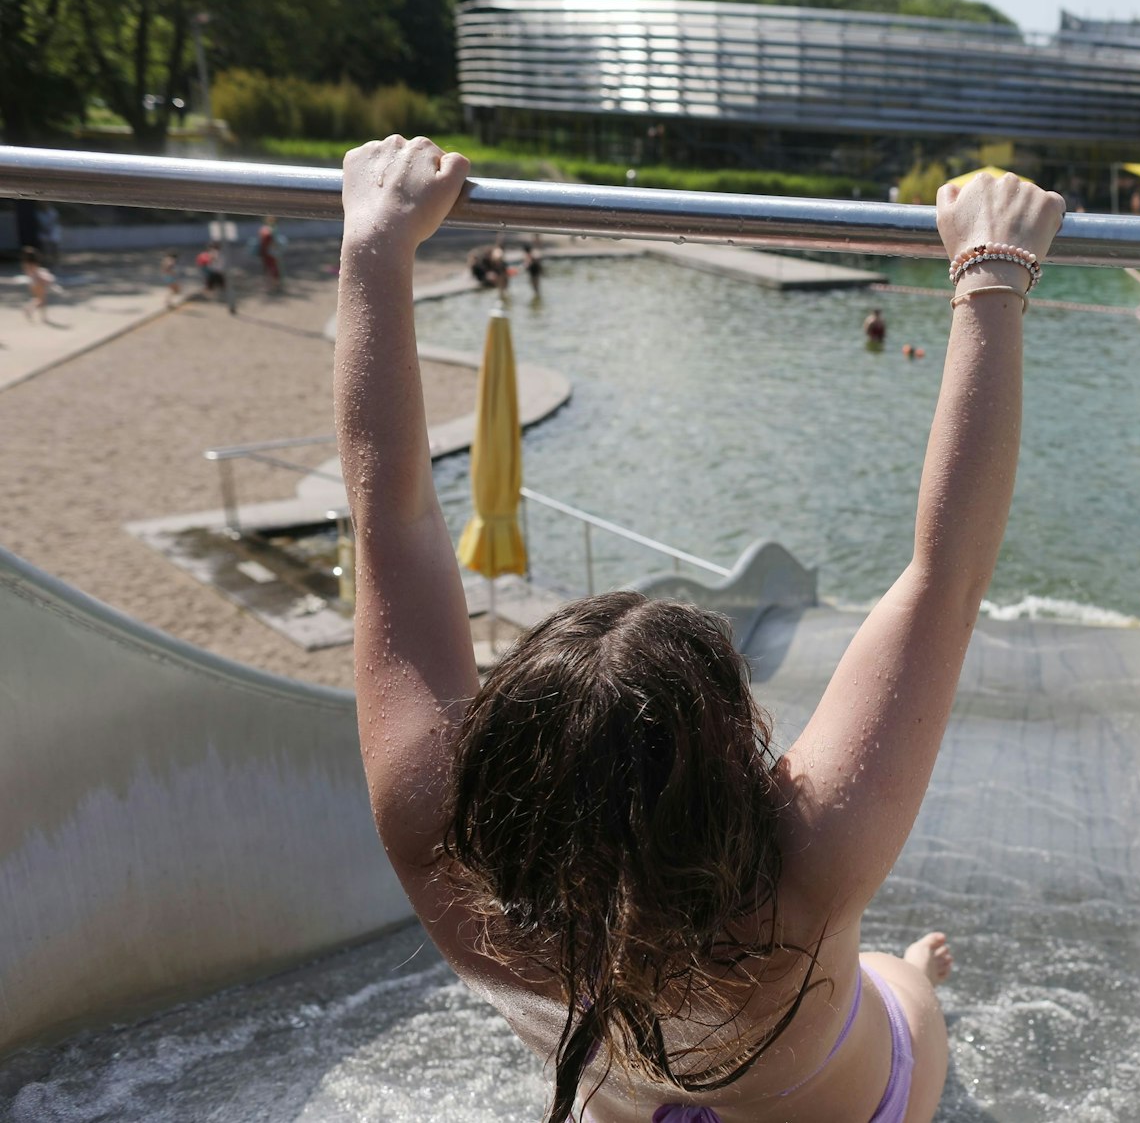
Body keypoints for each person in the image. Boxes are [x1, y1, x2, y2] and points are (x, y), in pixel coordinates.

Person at [332, 136, 1061, 1123]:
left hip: (613, 1097)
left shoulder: (441, 851)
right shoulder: (802, 880)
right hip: (843, 1102)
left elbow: (392, 523)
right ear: (724, 756)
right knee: (897, 984)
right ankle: (916, 971)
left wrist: (374, 240)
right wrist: (991, 266)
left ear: (495, 761)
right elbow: (945, 579)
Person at [20, 247, 55, 323]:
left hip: (31, 282)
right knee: (41, 300)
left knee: (38, 299)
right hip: (37, 281)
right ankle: (33, 311)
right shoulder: (34, 263)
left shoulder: (25, 264)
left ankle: (33, 311)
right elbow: (36, 274)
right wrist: (44, 280)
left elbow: (29, 274)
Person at [256, 217, 283, 293]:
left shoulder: (271, 229)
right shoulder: (268, 229)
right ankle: (272, 285)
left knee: (272, 268)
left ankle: (274, 285)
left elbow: (271, 241)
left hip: (270, 252)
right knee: (270, 268)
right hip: (267, 252)